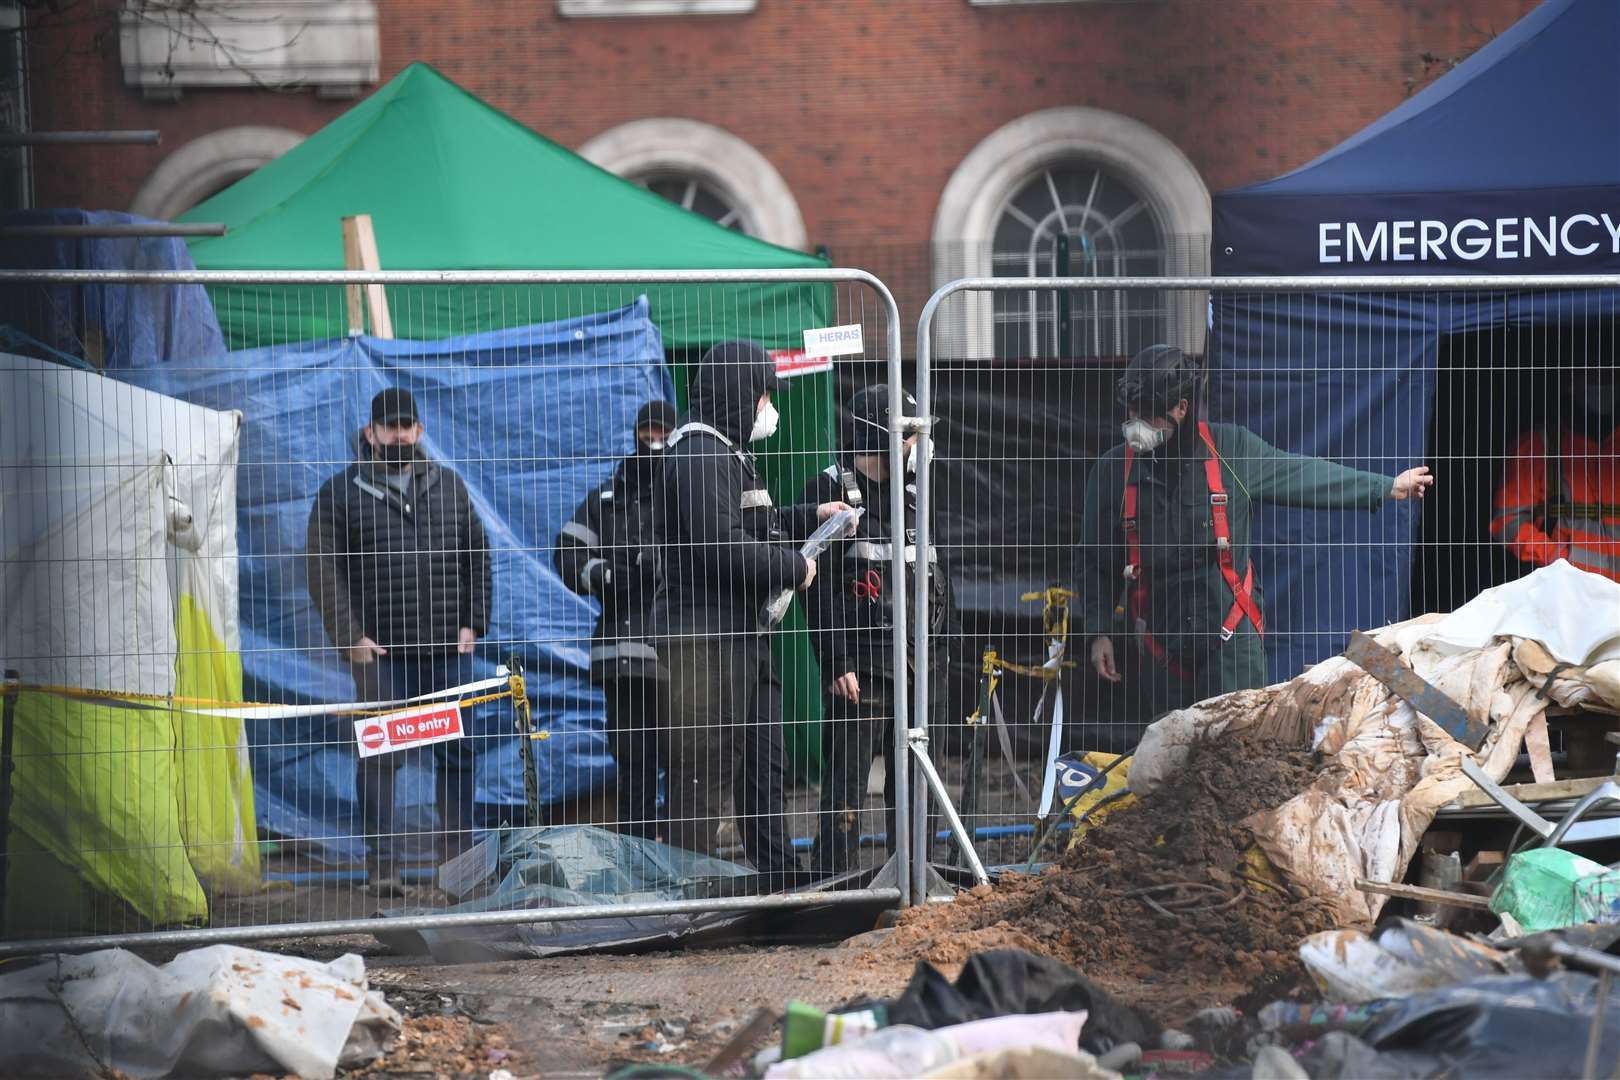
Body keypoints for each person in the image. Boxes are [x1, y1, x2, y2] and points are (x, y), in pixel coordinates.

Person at [1076, 345, 1433, 725]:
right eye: (1131, 413)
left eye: (1147, 416)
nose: (1135, 426)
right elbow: (1094, 560)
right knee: (1172, 756)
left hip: (1232, 645)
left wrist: (1384, 486)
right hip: (1162, 650)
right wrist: (1098, 631)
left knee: (1240, 747)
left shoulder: (1232, 450)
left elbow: (1302, 475)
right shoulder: (1114, 472)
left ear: (1181, 408)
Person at [653, 340, 852, 878]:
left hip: (743, 638)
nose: (769, 406)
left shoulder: (726, 452)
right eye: (764, 393)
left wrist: (809, 514)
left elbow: (749, 524)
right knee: (706, 772)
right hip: (706, 642)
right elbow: (719, 543)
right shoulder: (698, 454)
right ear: (741, 392)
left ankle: (781, 879)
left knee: (765, 761)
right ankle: (688, 886)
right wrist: (794, 568)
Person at [306, 388, 493, 894]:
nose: (398, 435)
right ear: (370, 433)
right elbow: (321, 569)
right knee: (380, 758)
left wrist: (473, 623)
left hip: (445, 654)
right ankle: (383, 869)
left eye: (406, 426)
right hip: (380, 655)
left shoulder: (450, 488)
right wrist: (350, 637)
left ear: (420, 432)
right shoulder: (340, 493)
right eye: (388, 427)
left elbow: (479, 555)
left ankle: (455, 871)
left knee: (456, 754)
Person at [799, 384, 952, 875]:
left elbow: (935, 574)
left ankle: (913, 881)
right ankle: (834, 887)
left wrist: (941, 652)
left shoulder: (918, 491)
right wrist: (837, 661)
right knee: (846, 783)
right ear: (878, 433)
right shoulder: (829, 492)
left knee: (915, 781)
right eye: (908, 434)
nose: (918, 445)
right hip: (861, 669)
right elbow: (814, 590)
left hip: (919, 663)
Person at [556, 399, 677, 839]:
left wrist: (658, 564)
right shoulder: (607, 498)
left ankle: (681, 851)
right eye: (647, 432)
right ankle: (636, 854)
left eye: (662, 434)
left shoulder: (683, 490)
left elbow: (708, 549)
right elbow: (566, 552)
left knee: (681, 757)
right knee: (632, 760)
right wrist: (604, 574)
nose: (653, 442)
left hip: (674, 657)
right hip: (619, 658)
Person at [1490, 369, 1619, 583]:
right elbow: (1507, 522)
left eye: (1609, 375)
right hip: (1564, 592)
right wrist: (1557, 559)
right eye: (1591, 374)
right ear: (1570, 382)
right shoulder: (1539, 445)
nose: (1601, 382)